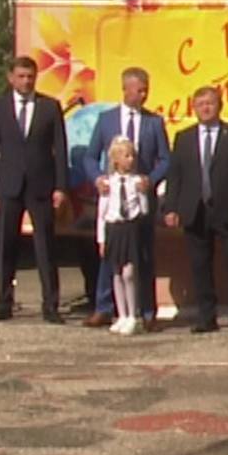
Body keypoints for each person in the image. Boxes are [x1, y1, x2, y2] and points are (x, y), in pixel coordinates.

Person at [77, 67, 171, 329]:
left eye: (146, 90)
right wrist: (98, 178)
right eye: (139, 90)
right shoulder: (107, 120)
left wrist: (150, 180)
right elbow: (90, 156)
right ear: (126, 89)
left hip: (140, 201)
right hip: (113, 201)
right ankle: (104, 307)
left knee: (143, 255)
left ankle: (147, 312)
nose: (144, 95)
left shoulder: (154, 122)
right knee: (111, 256)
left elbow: (166, 159)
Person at [0, 56, 68, 323]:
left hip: (40, 185)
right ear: (11, 78)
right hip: (9, 185)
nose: (26, 81)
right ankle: (3, 302)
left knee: (45, 247)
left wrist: (61, 186)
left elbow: (60, 149)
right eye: (21, 76)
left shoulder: (49, 107)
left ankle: (50, 305)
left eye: (30, 76)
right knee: (7, 245)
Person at [163, 85, 228, 333]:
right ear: (194, 108)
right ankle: (206, 317)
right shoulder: (183, 138)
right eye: (200, 104)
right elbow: (175, 176)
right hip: (195, 210)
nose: (205, 108)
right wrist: (171, 208)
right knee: (200, 266)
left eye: (210, 103)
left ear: (219, 105)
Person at [96, 137, 152, 337]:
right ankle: (121, 314)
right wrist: (101, 239)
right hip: (114, 229)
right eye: (126, 156)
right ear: (116, 160)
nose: (130, 160)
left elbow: (144, 210)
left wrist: (143, 193)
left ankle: (133, 315)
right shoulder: (107, 183)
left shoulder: (136, 181)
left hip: (130, 229)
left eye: (132, 156)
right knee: (116, 273)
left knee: (129, 273)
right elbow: (102, 214)